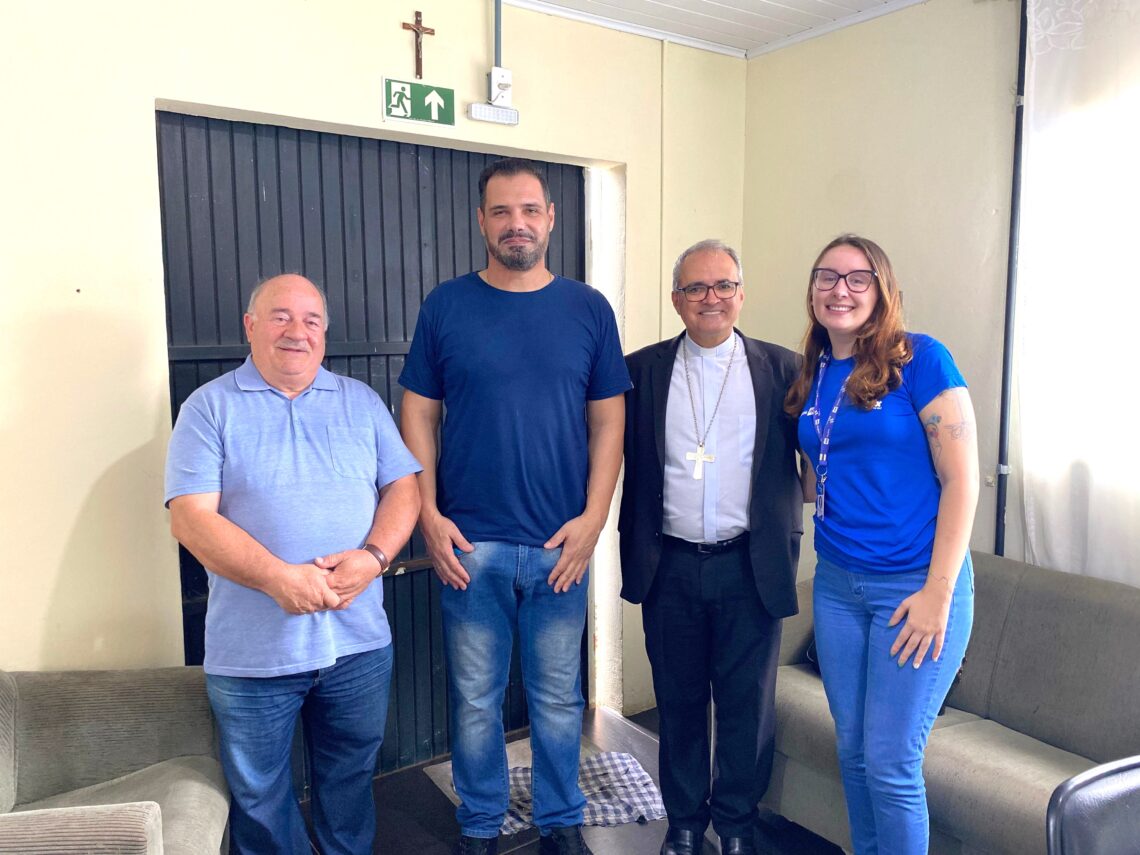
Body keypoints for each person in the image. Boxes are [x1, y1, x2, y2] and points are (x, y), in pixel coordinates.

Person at [399, 158, 631, 855]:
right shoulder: (446, 305)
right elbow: (416, 411)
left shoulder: (589, 309)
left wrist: (595, 520)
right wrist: (427, 513)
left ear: (551, 218)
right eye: (501, 211)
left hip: (563, 545)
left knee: (559, 700)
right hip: (471, 546)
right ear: (481, 221)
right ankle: (479, 823)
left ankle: (559, 821)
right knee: (475, 700)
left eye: (529, 210)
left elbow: (609, 422)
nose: (516, 224)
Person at [165, 273, 422, 854]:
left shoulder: (359, 402)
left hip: (357, 644)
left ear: (324, 334)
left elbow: (403, 488)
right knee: (259, 797)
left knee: (352, 779)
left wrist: (375, 557)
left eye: (311, 321)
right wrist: (279, 579)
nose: (297, 332)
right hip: (253, 655)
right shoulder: (209, 409)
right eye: (280, 316)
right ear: (250, 326)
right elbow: (190, 519)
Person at [786, 235, 978, 855]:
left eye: (857, 278)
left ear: (882, 290)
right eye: (827, 277)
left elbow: (962, 481)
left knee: (892, 762)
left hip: (913, 588)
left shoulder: (921, 359)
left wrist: (937, 595)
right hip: (839, 587)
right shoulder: (813, 375)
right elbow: (820, 479)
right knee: (854, 753)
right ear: (812, 290)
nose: (840, 289)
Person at [619, 240, 802, 855]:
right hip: (668, 564)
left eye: (723, 286)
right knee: (678, 701)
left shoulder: (785, 370)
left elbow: (823, 456)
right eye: (696, 288)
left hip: (750, 564)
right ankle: (686, 824)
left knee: (747, 708)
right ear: (676, 300)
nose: (710, 299)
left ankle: (738, 826)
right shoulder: (639, 371)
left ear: (741, 295)